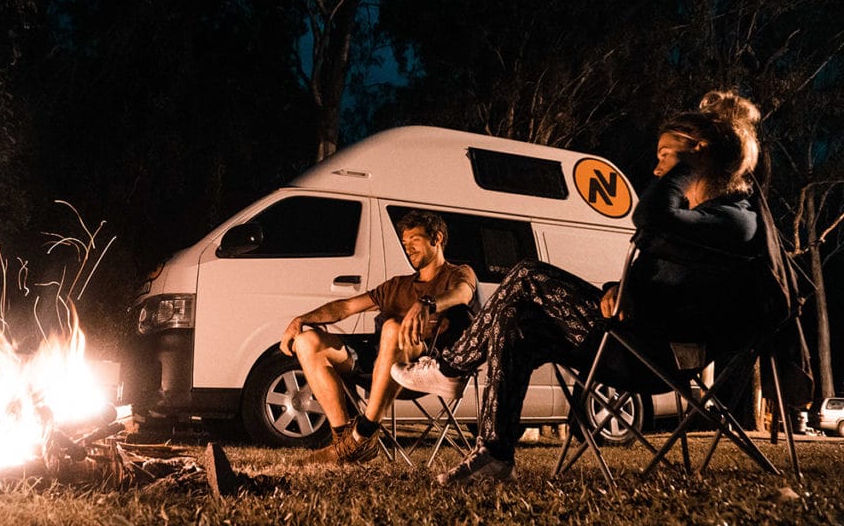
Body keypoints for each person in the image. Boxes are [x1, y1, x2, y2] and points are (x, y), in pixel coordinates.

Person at [391, 90, 767, 485]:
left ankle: (450, 367)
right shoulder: (704, 219)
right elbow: (670, 284)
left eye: (665, 156)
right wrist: (617, 288)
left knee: (527, 274)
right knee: (517, 323)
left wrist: (687, 165)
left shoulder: (734, 219)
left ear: (698, 155)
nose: (657, 170)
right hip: (630, 339)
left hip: (655, 357)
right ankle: (493, 455)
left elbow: (650, 217)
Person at [281, 210, 477, 464]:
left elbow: (462, 294)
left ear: (437, 238)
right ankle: (345, 441)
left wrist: (428, 303)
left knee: (392, 328)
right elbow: (346, 308)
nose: (408, 249)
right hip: (378, 363)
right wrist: (301, 319)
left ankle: (364, 433)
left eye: (414, 240)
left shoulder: (458, 273)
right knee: (307, 342)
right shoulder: (397, 285)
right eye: (405, 244)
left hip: (424, 366)